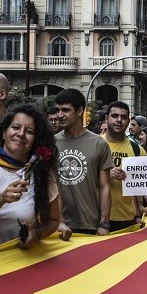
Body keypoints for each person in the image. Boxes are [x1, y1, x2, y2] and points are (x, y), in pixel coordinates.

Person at [0, 104, 61, 249]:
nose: (21, 134)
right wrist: (0, 199)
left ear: (35, 139)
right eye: (15, 127)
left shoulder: (41, 172)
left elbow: (53, 221)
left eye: (29, 131)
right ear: (4, 133)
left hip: (22, 259)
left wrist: (37, 235)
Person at [52, 88, 112, 238]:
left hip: (90, 225)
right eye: (58, 110)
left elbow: (105, 186)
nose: (59, 115)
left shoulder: (99, 143)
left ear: (79, 111)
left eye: (65, 110)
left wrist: (104, 223)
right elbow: (52, 186)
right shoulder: (51, 143)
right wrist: (58, 221)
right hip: (58, 226)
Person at [101, 101, 146, 230]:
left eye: (124, 117)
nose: (119, 120)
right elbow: (82, 181)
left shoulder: (137, 150)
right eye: (114, 116)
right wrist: (106, 176)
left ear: (128, 122)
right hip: (96, 218)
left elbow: (142, 182)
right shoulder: (95, 144)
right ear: (107, 119)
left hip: (126, 219)